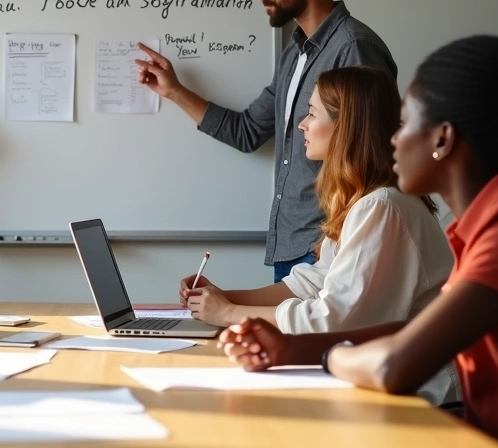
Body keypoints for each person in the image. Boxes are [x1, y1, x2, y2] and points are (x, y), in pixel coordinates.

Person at [219, 36, 498, 446]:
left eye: (405, 123)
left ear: (442, 140)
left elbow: (394, 365)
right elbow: (416, 331)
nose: (391, 138)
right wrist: (290, 346)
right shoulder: (487, 223)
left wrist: (329, 356)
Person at [137, 0, 396, 281]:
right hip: (292, 245)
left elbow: (374, 156)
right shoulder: (295, 55)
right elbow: (247, 132)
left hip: (330, 248)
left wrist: (338, 234)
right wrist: (174, 91)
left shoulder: (353, 48)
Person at [183, 66, 456, 403]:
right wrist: (226, 297)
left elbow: (333, 321)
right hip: (392, 384)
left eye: (312, 113)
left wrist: (227, 314)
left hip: (427, 397)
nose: (302, 125)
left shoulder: (382, 206)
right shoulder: (363, 200)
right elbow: (314, 282)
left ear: (346, 127)